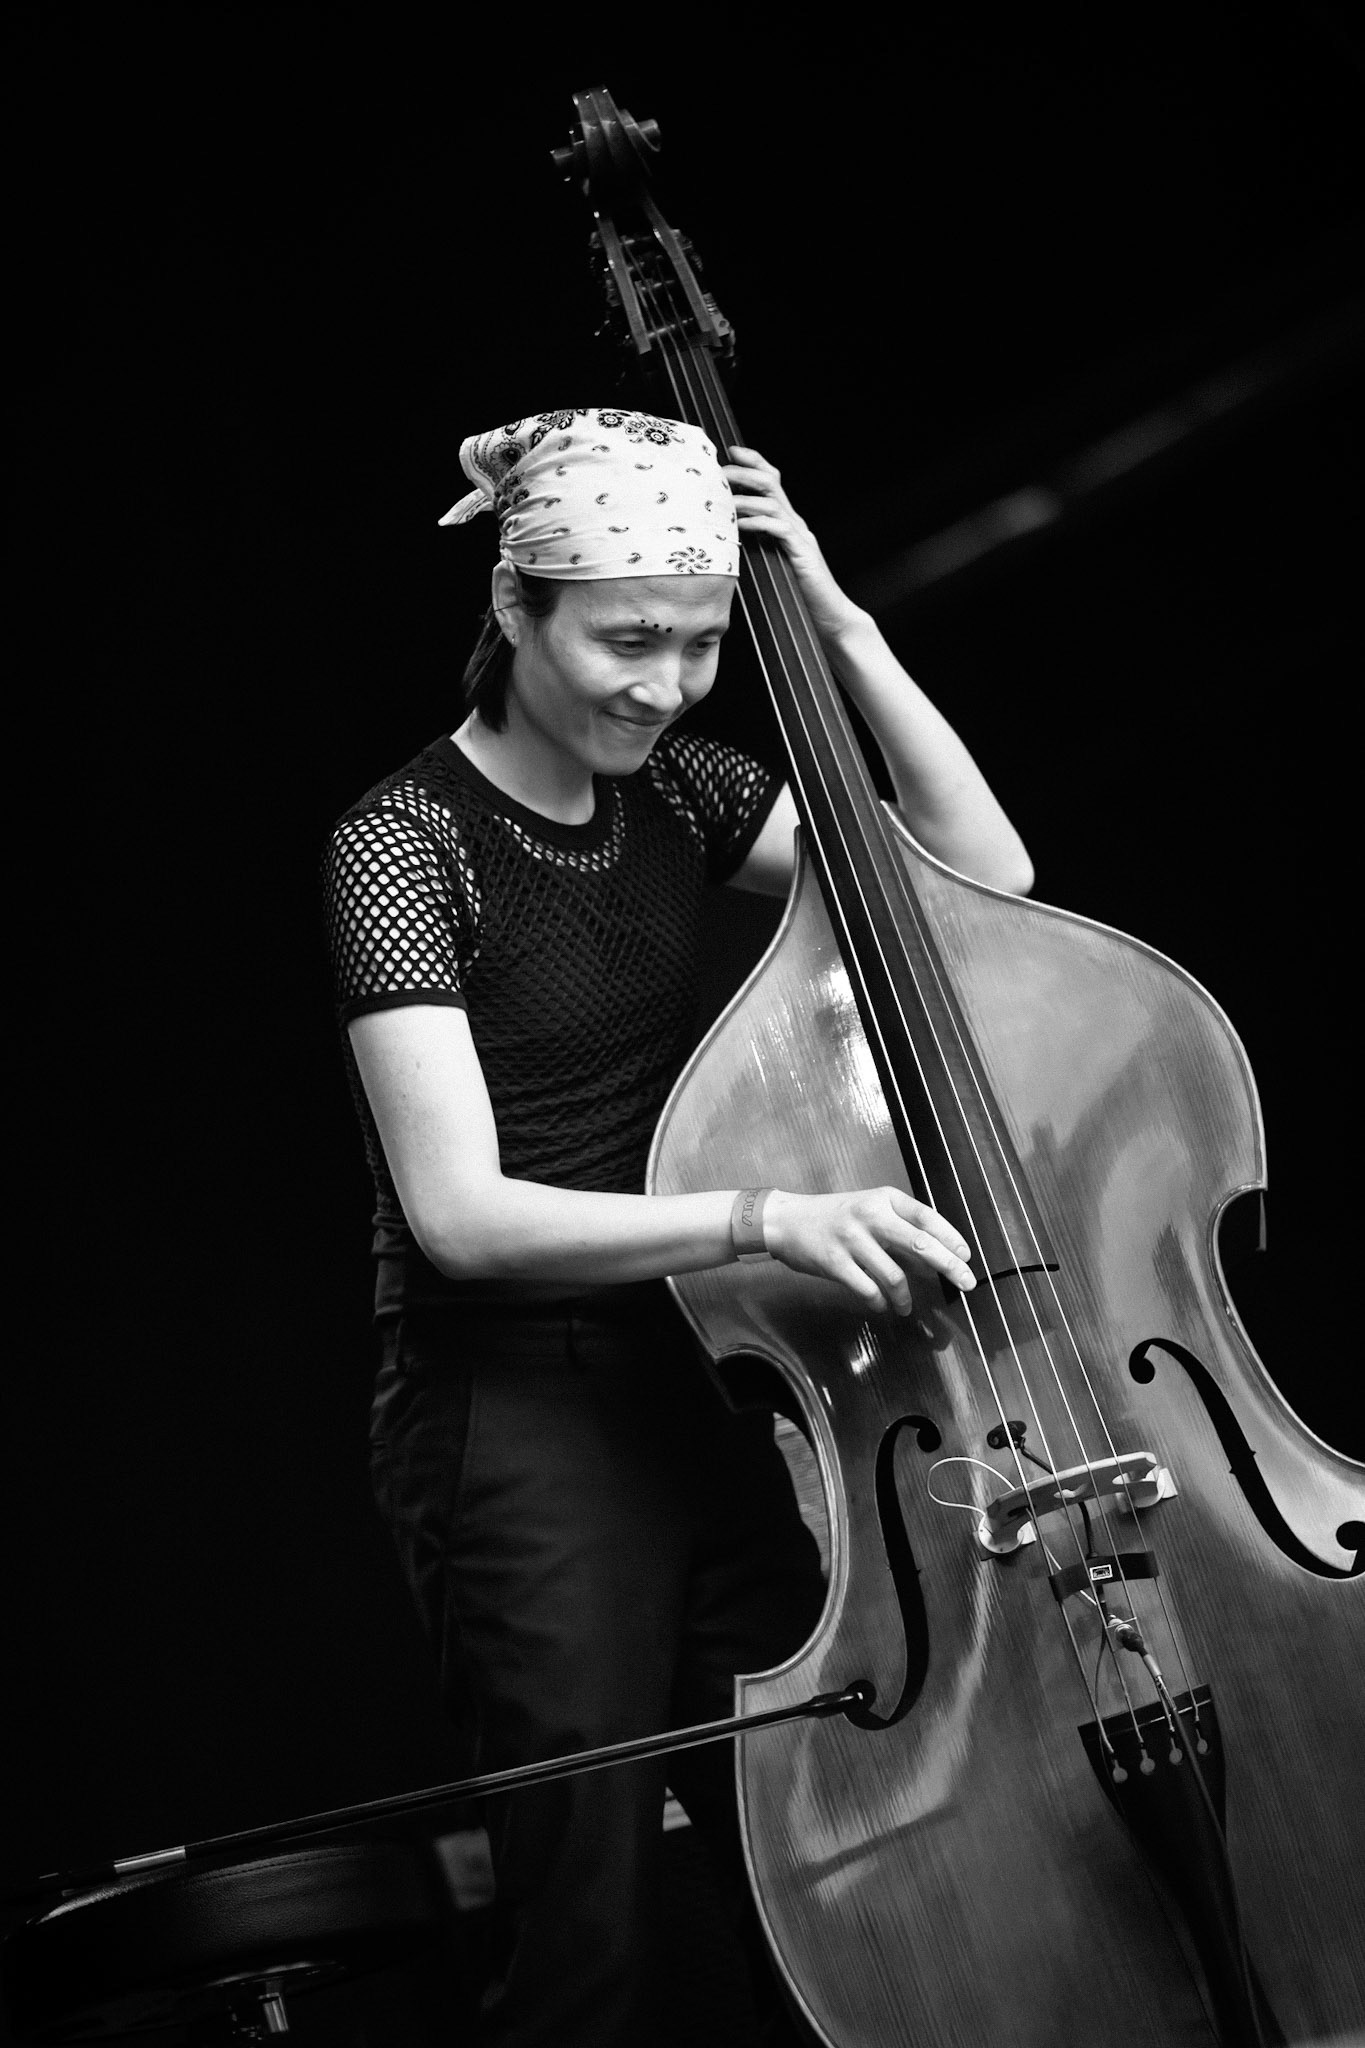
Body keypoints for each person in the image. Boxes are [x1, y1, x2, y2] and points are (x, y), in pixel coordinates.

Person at [323, 407, 1033, 2046]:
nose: (661, 684)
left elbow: (976, 886)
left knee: (812, 1880)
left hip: (690, 1382)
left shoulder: (691, 790)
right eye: (625, 641)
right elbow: (461, 1221)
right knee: (589, 1936)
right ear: (513, 611)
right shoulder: (399, 847)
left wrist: (831, 616)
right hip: (511, 1417)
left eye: (703, 645)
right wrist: (766, 1216)